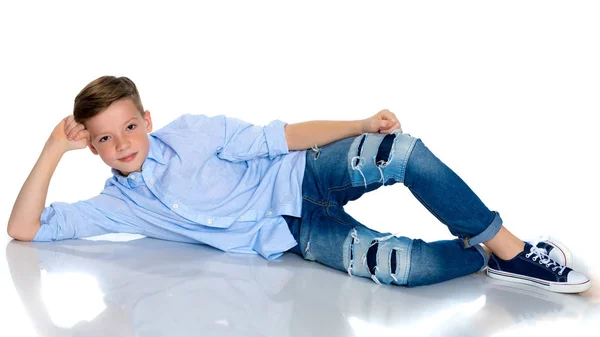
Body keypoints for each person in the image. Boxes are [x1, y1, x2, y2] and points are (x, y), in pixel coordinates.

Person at [7, 75, 591, 294]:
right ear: (93, 146)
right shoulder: (120, 207)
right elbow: (23, 230)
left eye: (129, 126)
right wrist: (53, 146)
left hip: (305, 171)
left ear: (148, 120)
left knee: (401, 153)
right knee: (403, 270)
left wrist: (360, 125)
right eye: (105, 138)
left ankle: (515, 250)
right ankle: (484, 256)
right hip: (295, 232)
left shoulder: (194, 135)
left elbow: (281, 137)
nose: (123, 144)